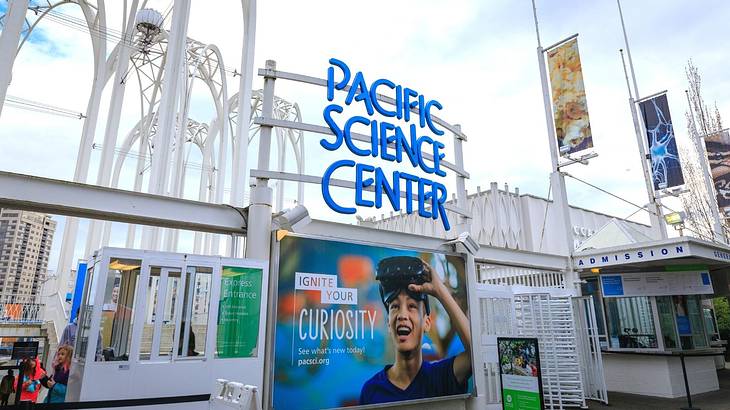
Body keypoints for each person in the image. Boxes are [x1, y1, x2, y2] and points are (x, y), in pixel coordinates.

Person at [360, 256, 472, 405]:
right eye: (395, 306)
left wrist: (439, 290)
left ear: (427, 323)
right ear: (388, 324)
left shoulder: (442, 377)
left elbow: (476, 355)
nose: (402, 315)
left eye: (412, 306)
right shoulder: (372, 390)